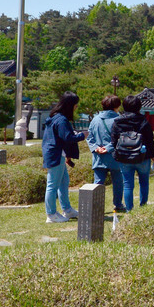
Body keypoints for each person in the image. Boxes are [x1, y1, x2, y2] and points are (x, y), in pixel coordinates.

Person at [42, 91, 88, 223]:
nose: (76, 107)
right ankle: (51, 214)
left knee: (63, 182)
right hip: (56, 155)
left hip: (57, 154)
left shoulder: (55, 117)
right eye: (75, 105)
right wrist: (83, 135)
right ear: (70, 105)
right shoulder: (61, 119)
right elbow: (68, 138)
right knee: (52, 185)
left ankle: (67, 210)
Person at [111, 95, 154, 211]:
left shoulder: (117, 121)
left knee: (127, 185)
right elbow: (149, 139)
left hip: (124, 157)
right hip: (142, 156)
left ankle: (129, 210)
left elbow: (114, 140)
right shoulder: (143, 120)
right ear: (139, 106)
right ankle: (143, 207)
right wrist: (153, 154)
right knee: (144, 182)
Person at [86, 95, 126, 212]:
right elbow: (121, 138)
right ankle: (118, 204)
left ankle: (95, 206)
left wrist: (96, 148)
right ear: (117, 106)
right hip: (115, 156)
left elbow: (90, 137)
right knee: (118, 182)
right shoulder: (119, 119)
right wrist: (108, 148)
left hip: (99, 156)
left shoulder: (95, 119)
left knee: (98, 182)